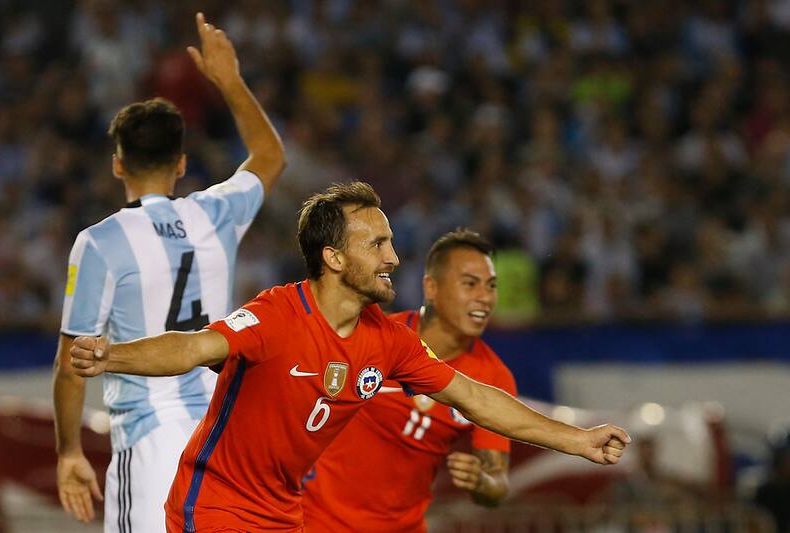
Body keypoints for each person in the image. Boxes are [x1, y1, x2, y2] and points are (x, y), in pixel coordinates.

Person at [70, 181, 631, 533]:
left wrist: (577, 440)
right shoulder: (277, 315)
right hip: (216, 505)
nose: (393, 255)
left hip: (284, 515)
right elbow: (193, 347)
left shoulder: (388, 341)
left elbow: (475, 398)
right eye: (377, 245)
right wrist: (111, 356)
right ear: (334, 258)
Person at [53, 13, 285, 532]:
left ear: (117, 164)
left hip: (150, 440)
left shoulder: (99, 241)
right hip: (222, 438)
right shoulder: (216, 214)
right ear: (181, 164)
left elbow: (73, 362)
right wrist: (230, 79)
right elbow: (269, 155)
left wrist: (69, 451)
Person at [302, 229, 517, 533]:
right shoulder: (374, 335)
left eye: (491, 286)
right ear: (431, 287)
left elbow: (498, 481)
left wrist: (483, 482)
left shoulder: (493, 377)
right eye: (470, 284)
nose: (485, 297)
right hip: (315, 521)